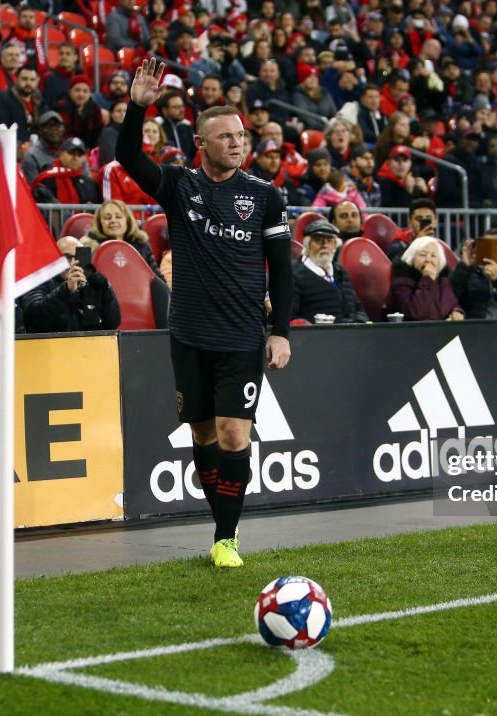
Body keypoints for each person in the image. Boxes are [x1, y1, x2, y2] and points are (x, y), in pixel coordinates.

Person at [118, 58, 292, 568]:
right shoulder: (178, 185)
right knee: (202, 434)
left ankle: (225, 536)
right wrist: (136, 106)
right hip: (189, 333)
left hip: (241, 335)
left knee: (235, 433)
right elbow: (127, 154)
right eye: (226, 137)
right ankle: (222, 523)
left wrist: (279, 332)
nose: (238, 143)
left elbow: (281, 270)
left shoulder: (264, 196)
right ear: (201, 143)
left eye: (241, 135)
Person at [21, 236, 122, 333]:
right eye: (67, 257)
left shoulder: (91, 283)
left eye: (79, 257)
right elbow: (33, 319)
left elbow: (112, 323)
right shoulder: (37, 280)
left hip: (87, 346)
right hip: (50, 347)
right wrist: (66, 290)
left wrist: (105, 289)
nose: (74, 263)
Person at [292, 219, 368, 323]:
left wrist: (359, 321)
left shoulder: (341, 272)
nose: (325, 245)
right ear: (307, 245)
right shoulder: (293, 274)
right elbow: (291, 317)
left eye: (329, 241)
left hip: (350, 334)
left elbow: (358, 307)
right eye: (318, 240)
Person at [388, 236, 464, 321]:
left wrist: (456, 311)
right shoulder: (401, 282)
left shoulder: (442, 280)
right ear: (412, 258)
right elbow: (417, 313)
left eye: (433, 256)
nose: (428, 260)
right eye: (423, 255)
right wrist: (427, 279)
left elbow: (451, 303)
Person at [85, 199, 162, 277]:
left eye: (118, 217)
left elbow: (156, 277)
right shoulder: (90, 246)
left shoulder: (141, 243)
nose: (113, 221)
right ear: (99, 223)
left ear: (127, 220)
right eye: (107, 218)